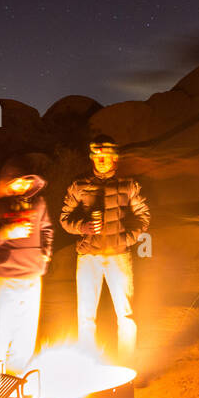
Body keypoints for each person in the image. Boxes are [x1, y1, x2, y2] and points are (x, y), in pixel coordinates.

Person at [59, 135, 150, 366]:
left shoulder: (128, 184)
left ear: (114, 158)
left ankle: (127, 366)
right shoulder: (79, 185)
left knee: (126, 315)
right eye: (97, 155)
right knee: (86, 316)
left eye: (106, 155)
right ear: (92, 157)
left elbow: (143, 215)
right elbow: (64, 218)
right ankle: (88, 364)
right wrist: (82, 226)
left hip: (119, 256)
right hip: (89, 256)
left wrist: (127, 238)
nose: (101, 159)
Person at [0, 158, 52, 377]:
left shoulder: (38, 203)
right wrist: (6, 232)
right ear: (7, 180)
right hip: (3, 278)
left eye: (28, 182)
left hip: (32, 278)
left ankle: (16, 389)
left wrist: (45, 254)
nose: (23, 187)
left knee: (25, 336)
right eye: (18, 182)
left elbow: (47, 228)